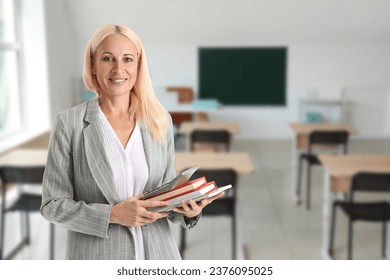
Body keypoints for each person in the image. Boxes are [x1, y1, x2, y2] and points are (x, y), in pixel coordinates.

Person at [40, 23, 223, 260]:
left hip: (158, 256)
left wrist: (188, 209)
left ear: (138, 65)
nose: (119, 69)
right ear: (93, 65)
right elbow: (52, 206)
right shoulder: (69, 124)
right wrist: (112, 215)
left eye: (128, 59)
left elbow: (166, 195)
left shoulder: (159, 121)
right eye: (108, 58)